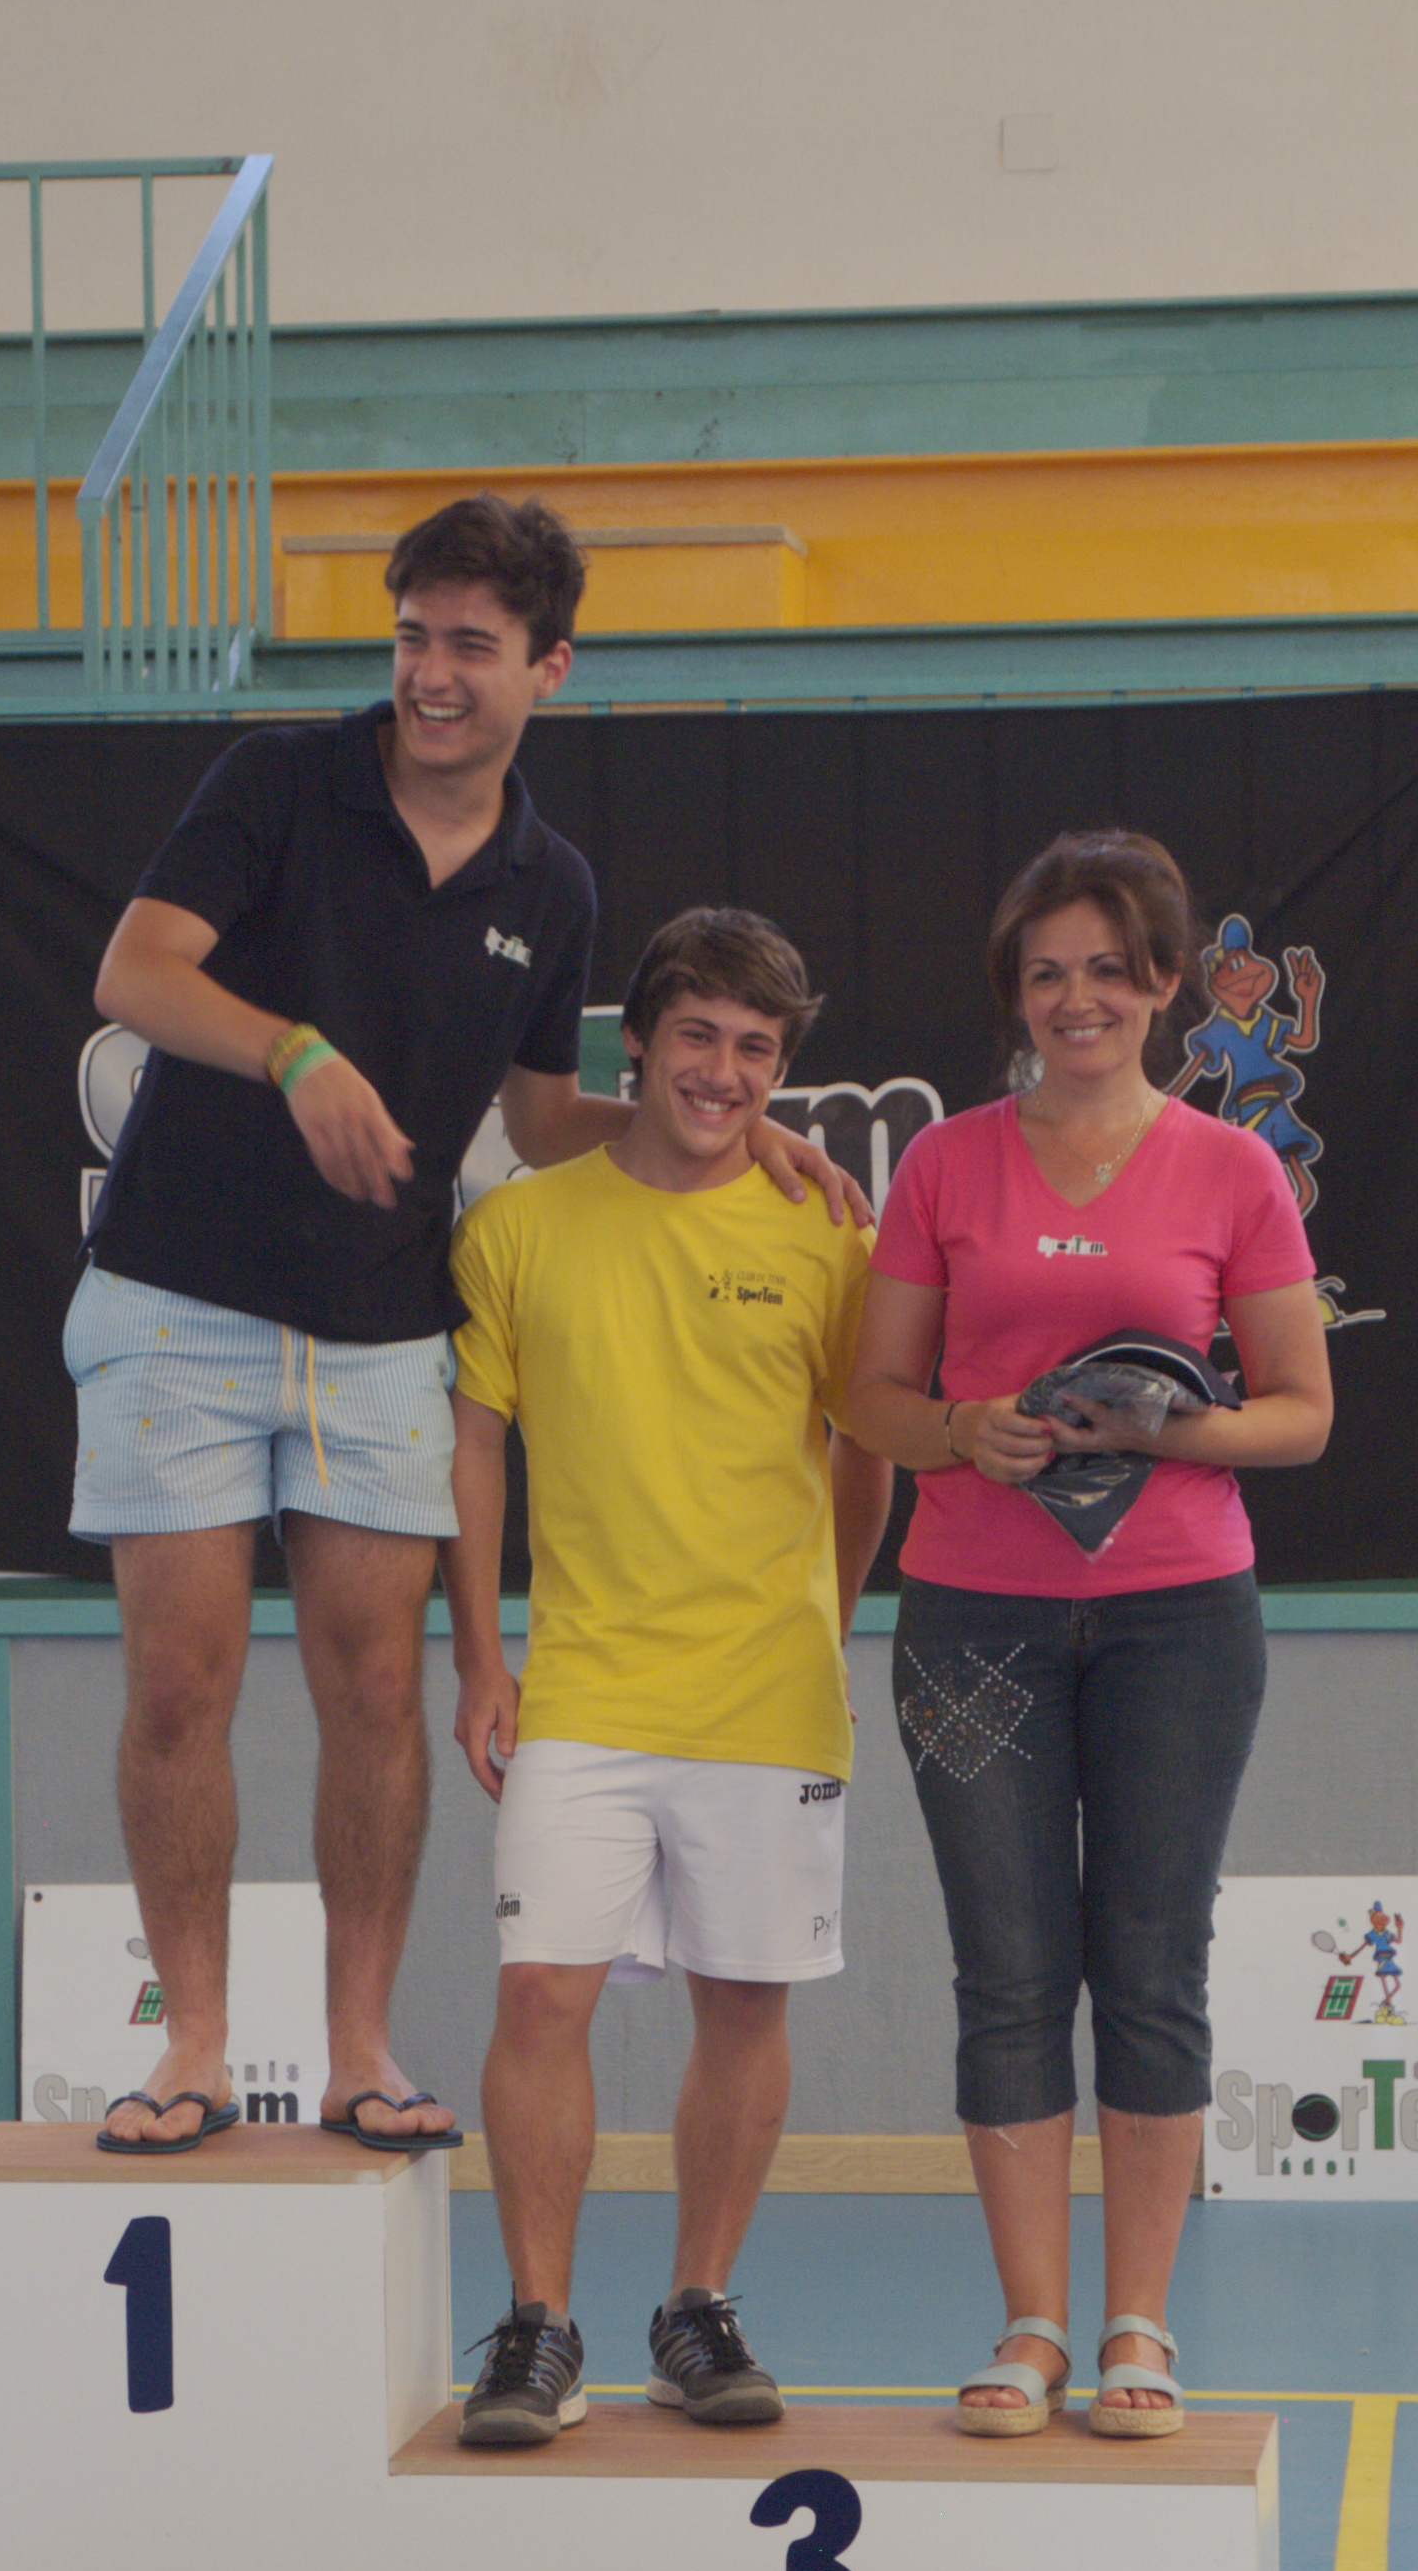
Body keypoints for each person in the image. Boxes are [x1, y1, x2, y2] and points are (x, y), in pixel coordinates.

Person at [69, 496, 860, 2159]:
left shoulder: (549, 884)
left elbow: (543, 1115)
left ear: (548, 669)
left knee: (375, 1685)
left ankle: (359, 2045)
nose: (432, 674)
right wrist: (295, 1053)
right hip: (178, 1300)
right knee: (179, 1683)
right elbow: (134, 977)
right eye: (413, 637)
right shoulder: (279, 781)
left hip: (378, 1329)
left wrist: (723, 1133)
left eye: (473, 647)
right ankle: (193, 2044)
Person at [840, 830, 1334, 2435]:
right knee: (1007, 1973)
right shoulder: (942, 1166)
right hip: (970, 1622)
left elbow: (1303, 1415)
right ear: (1015, 992)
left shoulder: (1232, 1171)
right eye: (1047, 974)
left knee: (1151, 1966)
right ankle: (1032, 2327)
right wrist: (960, 1432)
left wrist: (1163, 1430)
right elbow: (872, 1400)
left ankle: (1138, 2327)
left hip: (1181, 1624)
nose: (1078, 1001)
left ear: (1165, 985)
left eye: (1110, 971)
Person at [439, 911, 890, 2444]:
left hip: (768, 1692)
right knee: (538, 1994)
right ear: (635, 1042)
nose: (723, 1073)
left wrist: (826, 1626)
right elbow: (475, 1447)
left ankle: (697, 2309)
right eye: (697, 1035)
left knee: (745, 2005)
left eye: (757, 1049)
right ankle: (536, 2326)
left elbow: (867, 1455)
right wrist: (482, 1656)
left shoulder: (825, 1233)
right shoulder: (518, 1228)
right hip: (581, 1688)